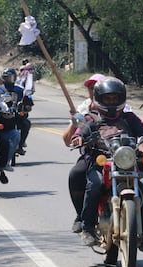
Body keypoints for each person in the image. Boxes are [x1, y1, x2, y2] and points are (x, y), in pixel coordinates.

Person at [70, 76, 143, 253]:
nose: (111, 102)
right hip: (102, 159)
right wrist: (78, 137)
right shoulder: (92, 117)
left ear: (121, 98)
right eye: (108, 98)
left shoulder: (129, 118)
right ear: (99, 99)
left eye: (115, 98)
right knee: (95, 184)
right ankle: (87, 228)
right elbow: (81, 130)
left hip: (128, 158)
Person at [62, 73, 105, 234]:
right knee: (76, 175)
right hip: (94, 154)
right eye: (91, 88)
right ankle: (82, 216)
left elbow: (138, 129)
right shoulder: (85, 109)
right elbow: (67, 140)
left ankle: (141, 227)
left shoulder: (121, 106)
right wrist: (75, 123)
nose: (93, 91)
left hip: (119, 154)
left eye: (97, 88)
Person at [0, 67, 33, 155]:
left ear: (14, 77)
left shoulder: (19, 90)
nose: (8, 79)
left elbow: (27, 100)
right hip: (3, 116)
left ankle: (20, 145)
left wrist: (27, 105)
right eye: (6, 77)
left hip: (17, 115)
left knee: (26, 124)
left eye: (10, 77)